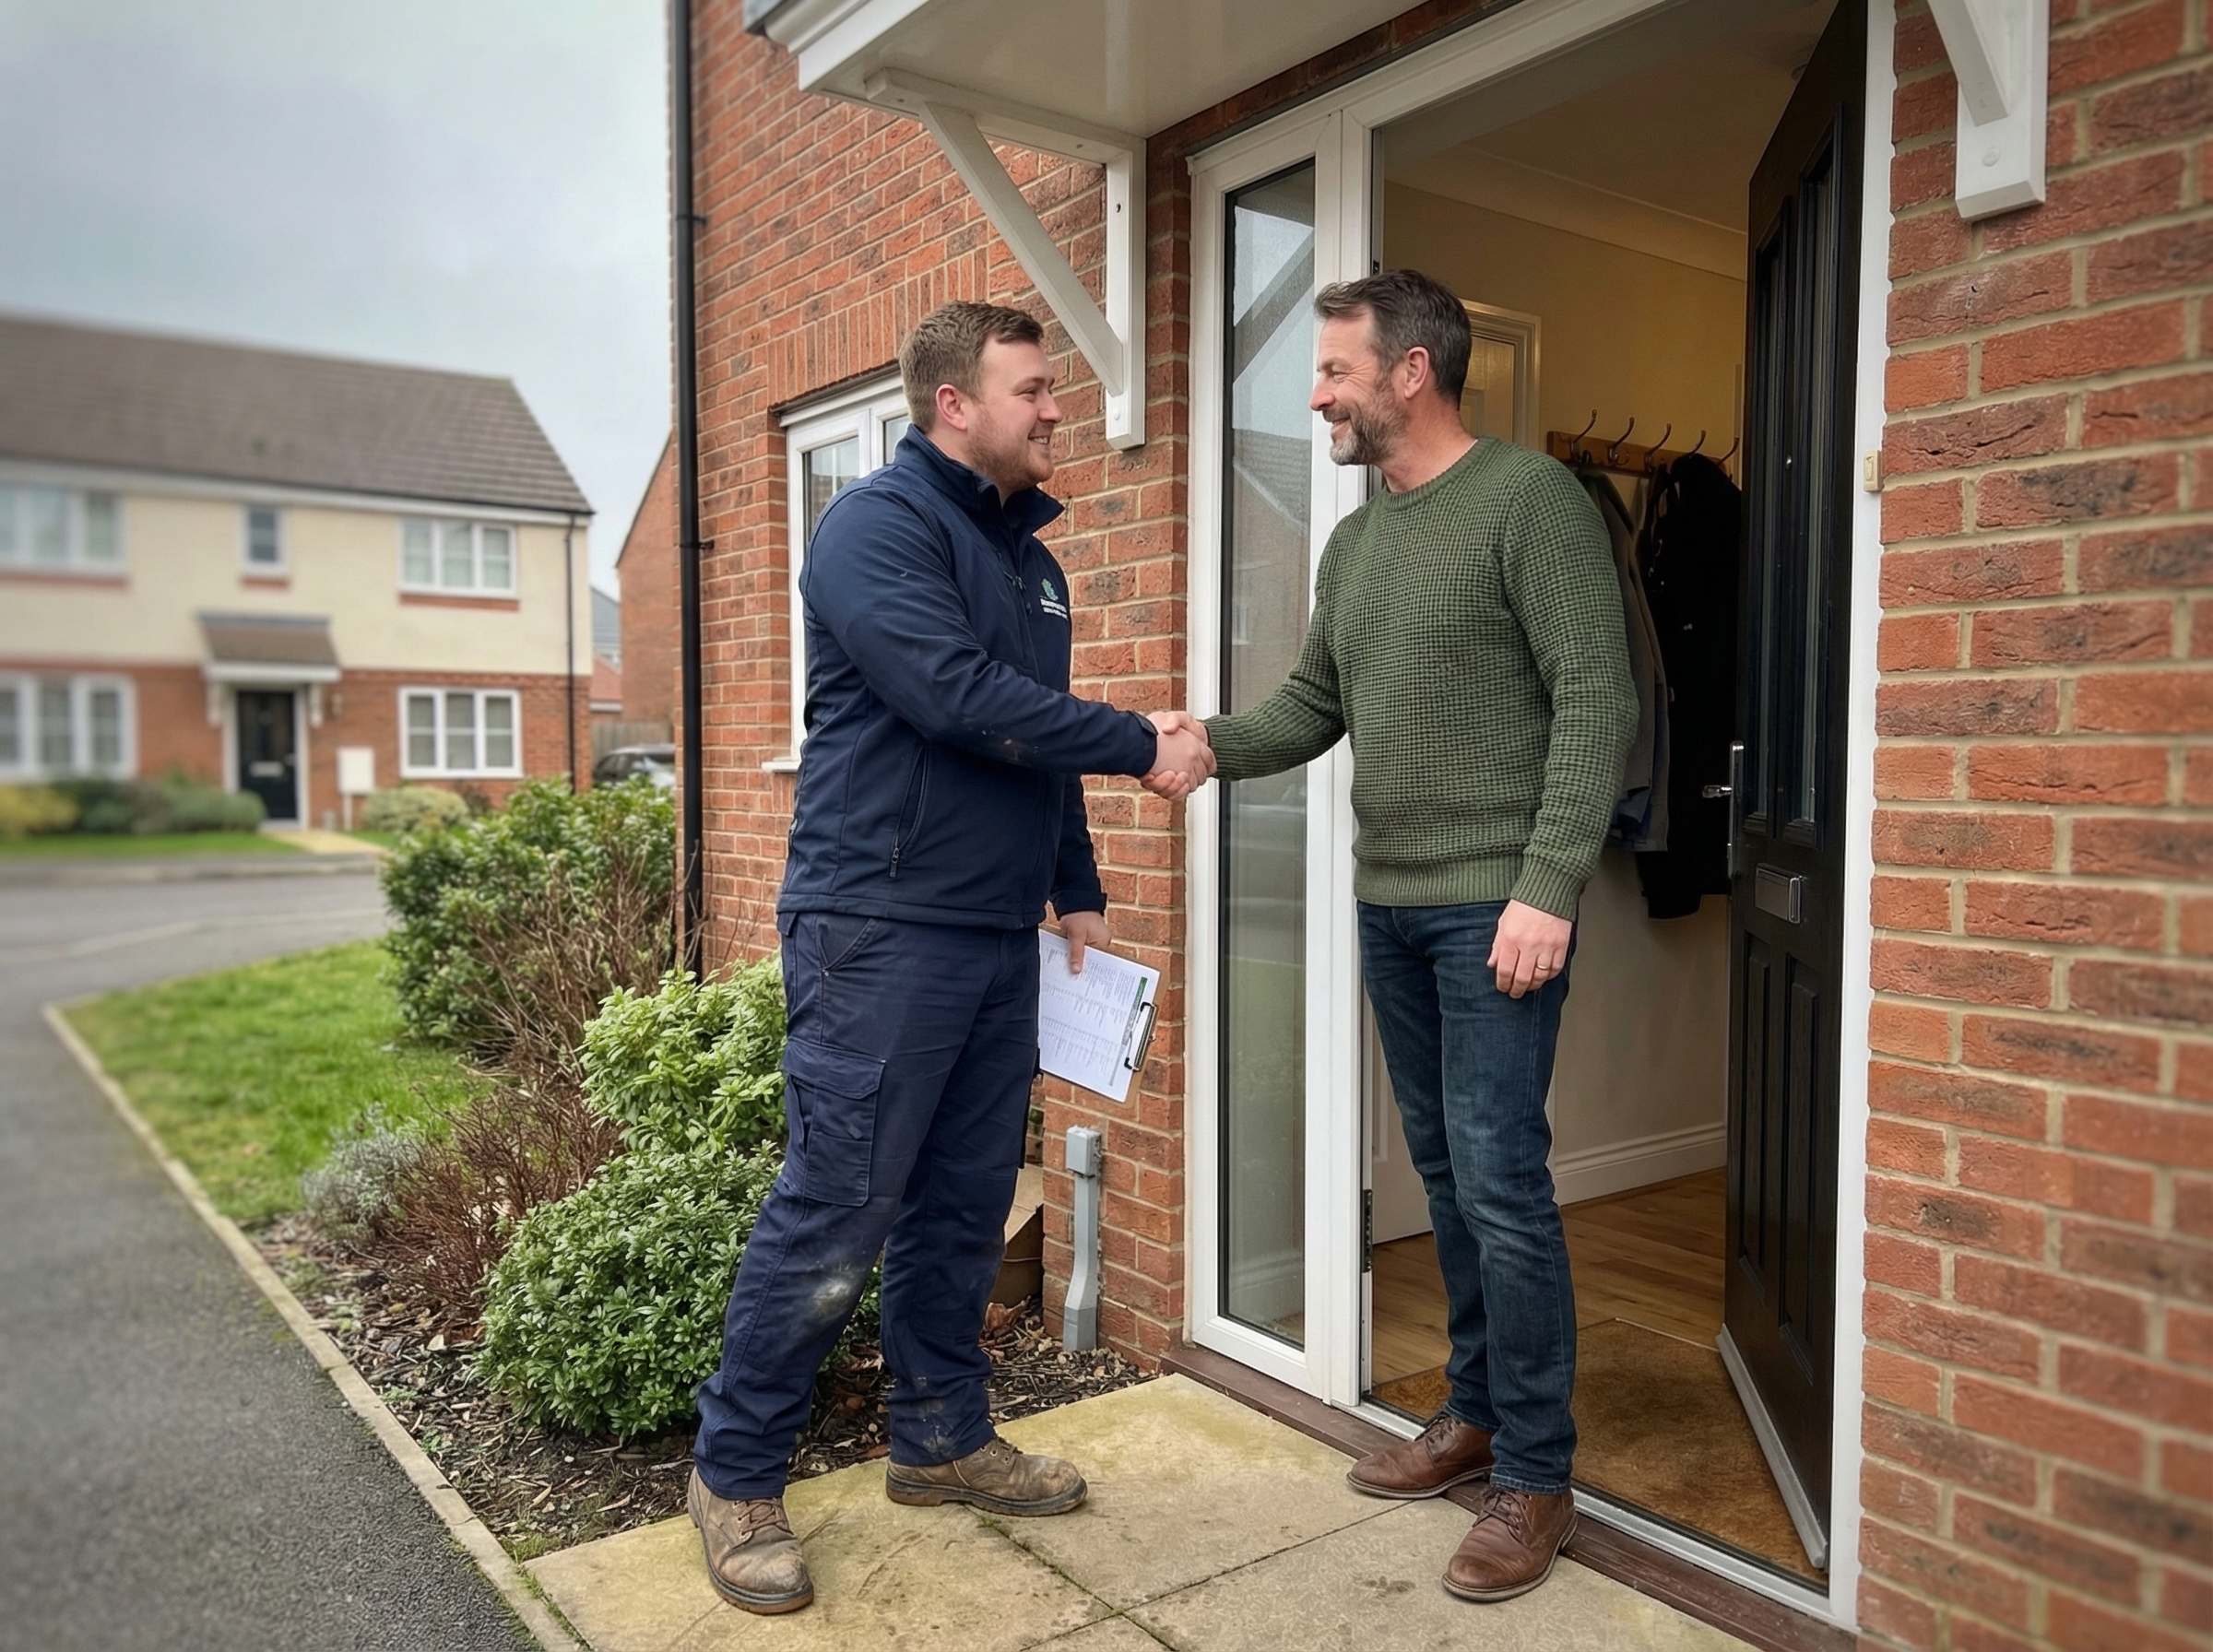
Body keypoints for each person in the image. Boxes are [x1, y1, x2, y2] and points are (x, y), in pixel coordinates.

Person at [687, 301, 1214, 1615]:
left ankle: (938, 1436)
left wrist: (1076, 885)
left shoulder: (1032, 561)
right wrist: (1143, 742)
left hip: (993, 934)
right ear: (953, 404)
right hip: (878, 928)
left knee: (968, 1201)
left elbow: (1031, 739)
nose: (1056, 409)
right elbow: (954, 696)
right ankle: (735, 1470)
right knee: (840, 1203)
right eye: (1034, 388)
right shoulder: (877, 527)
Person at [1171, 268, 1636, 1603]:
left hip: (1498, 906)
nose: (1315, 393)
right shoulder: (1358, 542)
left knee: (1502, 1179)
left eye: (1332, 370)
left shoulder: (1533, 503)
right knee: (1442, 1172)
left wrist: (1547, 886)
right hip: (1393, 904)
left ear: (1410, 372)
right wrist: (1205, 743)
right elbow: (1313, 704)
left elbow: (1597, 702)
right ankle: (1475, 1414)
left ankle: (1536, 1478)